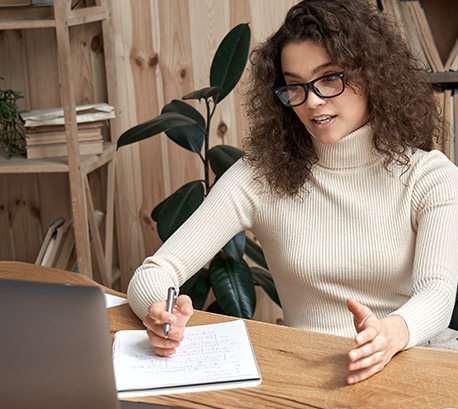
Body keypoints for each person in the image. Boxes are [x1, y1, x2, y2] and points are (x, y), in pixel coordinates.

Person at [127, 0, 458, 384]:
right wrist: (158, 312)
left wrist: (391, 334)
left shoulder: (429, 176)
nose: (313, 101)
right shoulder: (260, 176)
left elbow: (437, 291)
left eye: (329, 78)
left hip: (412, 365)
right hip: (306, 374)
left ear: (372, 75)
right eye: (295, 86)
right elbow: (155, 271)